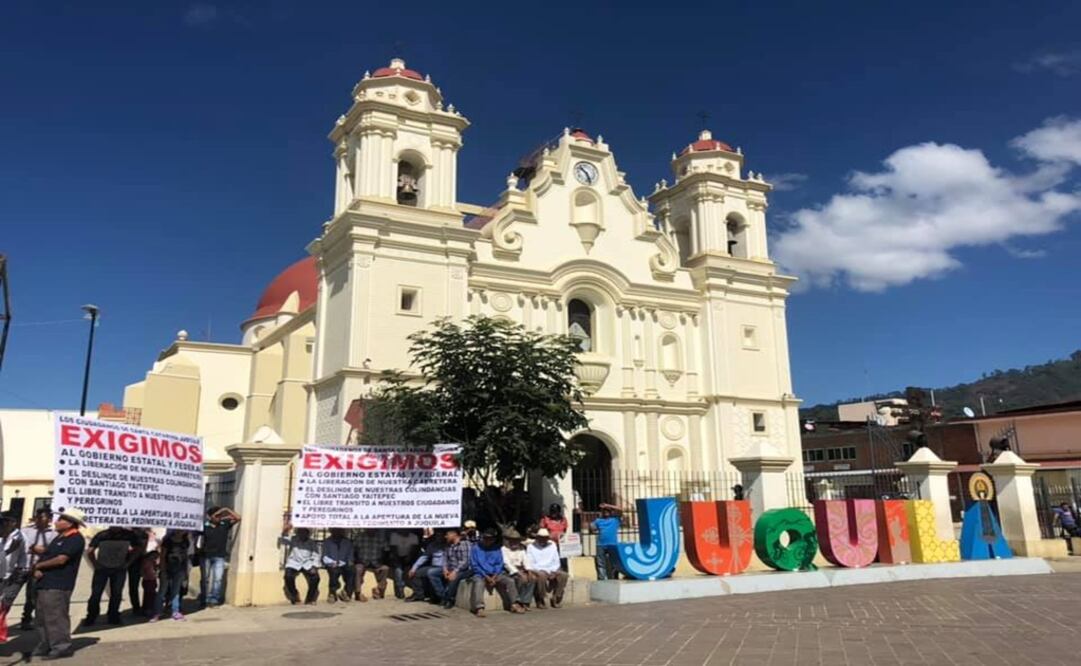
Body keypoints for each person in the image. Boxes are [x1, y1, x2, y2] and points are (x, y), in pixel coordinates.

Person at [31, 508, 86, 660]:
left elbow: (61, 559)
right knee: (42, 616)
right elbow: (49, 553)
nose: (57, 522)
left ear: (70, 524)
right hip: (45, 582)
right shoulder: (60, 537)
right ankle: (46, 643)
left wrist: (39, 566)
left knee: (55, 616)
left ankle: (61, 646)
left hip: (59, 583)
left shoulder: (75, 539)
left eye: (61, 519)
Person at [83, 525, 139, 626]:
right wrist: (95, 564)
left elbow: (138, 548)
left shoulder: (129, 535)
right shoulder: (102, 535)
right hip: (102, 568)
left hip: (119, 568)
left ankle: (113, 615)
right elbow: (90, 550)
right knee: (96, 594)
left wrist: (129, 562)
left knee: (116, 593)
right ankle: (91, 616)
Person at [468, 528, 524, 617]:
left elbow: (499, 563)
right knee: (478, 583)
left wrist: (494, 576)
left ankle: (515, 603)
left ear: (493, 540)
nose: (487, 541)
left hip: (496, 573)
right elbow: (475, 565)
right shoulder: (475, 548)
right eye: (485, 538)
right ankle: (479, 607)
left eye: (490, 539)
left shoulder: (497, 549)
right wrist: (486, 576)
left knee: (510, 581)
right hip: (481, 573)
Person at [19, 508, 55, 630]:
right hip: (21, 567)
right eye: (37, 517)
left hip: (37, 568)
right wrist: (33, 548)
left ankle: (26, 619)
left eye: (43, 517)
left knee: (32, 597)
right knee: (8, 595)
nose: (39, 520)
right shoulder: (26, 531)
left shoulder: (53, 534)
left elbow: (52, 552)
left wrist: (42, 550)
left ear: (49, 519)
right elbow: (20, 546)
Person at [200, 506, 240, 608]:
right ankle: (204, 599)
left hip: (220, 556)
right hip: (206, 556)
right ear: (210, 517)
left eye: (220, 515)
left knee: (218, 579)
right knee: (205, 579)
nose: (219, 517)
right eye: (216, 516)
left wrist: (226, 509)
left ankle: (214, 600)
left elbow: (238, 518)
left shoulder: (224, 524)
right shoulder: (205, 526)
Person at [151, 530, 192, 622]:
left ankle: (175, 611)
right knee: (162, 591)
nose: (180, 531)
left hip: (180, 569)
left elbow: (185, 556)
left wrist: (185, 571)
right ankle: (157, 612)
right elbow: (162, 555)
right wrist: (163, 569)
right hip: (167, 569)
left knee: (176, 591)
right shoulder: (168, 541)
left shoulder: (185, 541)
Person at [0, 512, 27, 642]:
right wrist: (8, 550)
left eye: (7, 521)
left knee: (5, 602)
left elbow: (23, 555)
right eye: (3, 521)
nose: (4, 524)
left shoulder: (20, 537)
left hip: (10, 574)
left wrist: (20, 569)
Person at [527, 528, 567, 608]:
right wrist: (545, 571)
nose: (543, 539)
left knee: (564, 575)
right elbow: (531, 563)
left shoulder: (552, 545)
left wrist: (553, 571)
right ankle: (541, 598)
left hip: (551, 568)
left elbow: (556, 560)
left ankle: (556, 597)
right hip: (538, 569)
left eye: (545, 538)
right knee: (541, 576)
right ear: (537, 537)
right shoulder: (531, 547)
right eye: (541, 537)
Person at [279, 524, 319, 605]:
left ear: (308, 534)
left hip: (307, 563)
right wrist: (285, 530)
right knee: (288, 576)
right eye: (300, 533)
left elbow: (316, 554)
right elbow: (282, 540)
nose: (302, 535)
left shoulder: (311, 542)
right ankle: (295, 595)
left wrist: (314, 566)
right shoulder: (293, 539)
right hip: (294, 562)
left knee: (315, 578)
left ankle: (310, 599)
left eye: (304, 533)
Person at [407, 531, 446, 603]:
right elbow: (424, 557)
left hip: (444, 567)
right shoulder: (432, 545)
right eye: (437, 536)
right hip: (433, 566)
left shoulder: (448, 545)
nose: (439, 538)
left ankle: (439, 597)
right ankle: (419, 595)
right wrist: (414, 568)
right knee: (416, 573)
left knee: (431, 573)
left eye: (440, 536)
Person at [501, 529, 534, 610]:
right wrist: (519, 573)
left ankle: (525, 601)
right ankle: (518, 601)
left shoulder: (521, 549)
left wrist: (529, 571)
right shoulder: (503, 549)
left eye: (516, 540)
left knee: (532, 579)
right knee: (519, 579)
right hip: (509, 571)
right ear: (508, 540)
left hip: (521, 569)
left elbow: (526, 560)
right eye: (512, 540)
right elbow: (506, 563)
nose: (514, 542)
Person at [352, 528, 389, 601]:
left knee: (385, 568)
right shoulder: (360, 537)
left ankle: (379, 589)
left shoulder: (380, 538)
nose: (371, 530)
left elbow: (386, 551)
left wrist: (382, 562)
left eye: (373, 528)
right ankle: (358, 592)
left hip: (376, 562)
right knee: (357, 569)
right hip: (362, 561)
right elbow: (354, 550)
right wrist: (357, 561)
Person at [441, 527, 472, 609]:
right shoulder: (448, 545)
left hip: (465, 569)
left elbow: (465, 561)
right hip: (451, 568)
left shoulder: (465, 544)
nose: (445, 537)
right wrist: (445, 569)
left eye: (447, 535)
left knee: (454, 577)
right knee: (432, 573)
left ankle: (449, 599)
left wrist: (454, 572)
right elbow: (444, 559)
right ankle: (441, 595)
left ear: (454, 534)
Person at [590, 503, 623, 581]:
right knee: (600, 563)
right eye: (604, 511)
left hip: (612, 544)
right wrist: (591, 528)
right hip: (600, 544)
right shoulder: (598, 520)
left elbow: (620, 509)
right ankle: (602, 579)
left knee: (614, 563)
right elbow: (592, 528)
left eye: (608, 511)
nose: (606, 512)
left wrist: (608, 505)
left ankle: (614, 577)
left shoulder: (615, 520)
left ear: (611, 512)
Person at [322, 528, 354, 603]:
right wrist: (332, 562)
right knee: (334, 572)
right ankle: (332, 594)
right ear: (332, 532)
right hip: (331, 563)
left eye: (339, 531)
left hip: (344, 563)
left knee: (351, 571)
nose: (337, 532)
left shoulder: (347, 542)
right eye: (335, 531)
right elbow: (324, 556)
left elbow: (350, 554)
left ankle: (345, 592)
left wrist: (350, 561)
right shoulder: (327, 542)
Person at [387, 529, 420, 599]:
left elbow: (414, 549)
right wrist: (399, 559)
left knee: (414, 571)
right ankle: (400, 591)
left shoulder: (413, 536)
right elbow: (394, 550)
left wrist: (409, 557)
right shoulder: (394, 536)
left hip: (410, 557)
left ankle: (416, 591)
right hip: (398, 557)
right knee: (398, 571)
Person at [139, 529, 162, 617]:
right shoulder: (144, 542)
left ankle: (149, 608)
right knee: (148, 589)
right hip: (147, 567)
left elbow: (159, 551)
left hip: (153, 567)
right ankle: (147, 608)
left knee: (152, 589)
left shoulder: (157, 540)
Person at [540, 504, 569, 568]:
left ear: (559, 512)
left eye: (555, 512)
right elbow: (542, 531)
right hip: (549, 544)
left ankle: (563, 573)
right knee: (550, 560)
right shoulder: (545, 519)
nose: (553, 513)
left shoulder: (563, 519)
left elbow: (564, 530)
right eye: (552, 511)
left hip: (561, 544)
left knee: (563, 561)